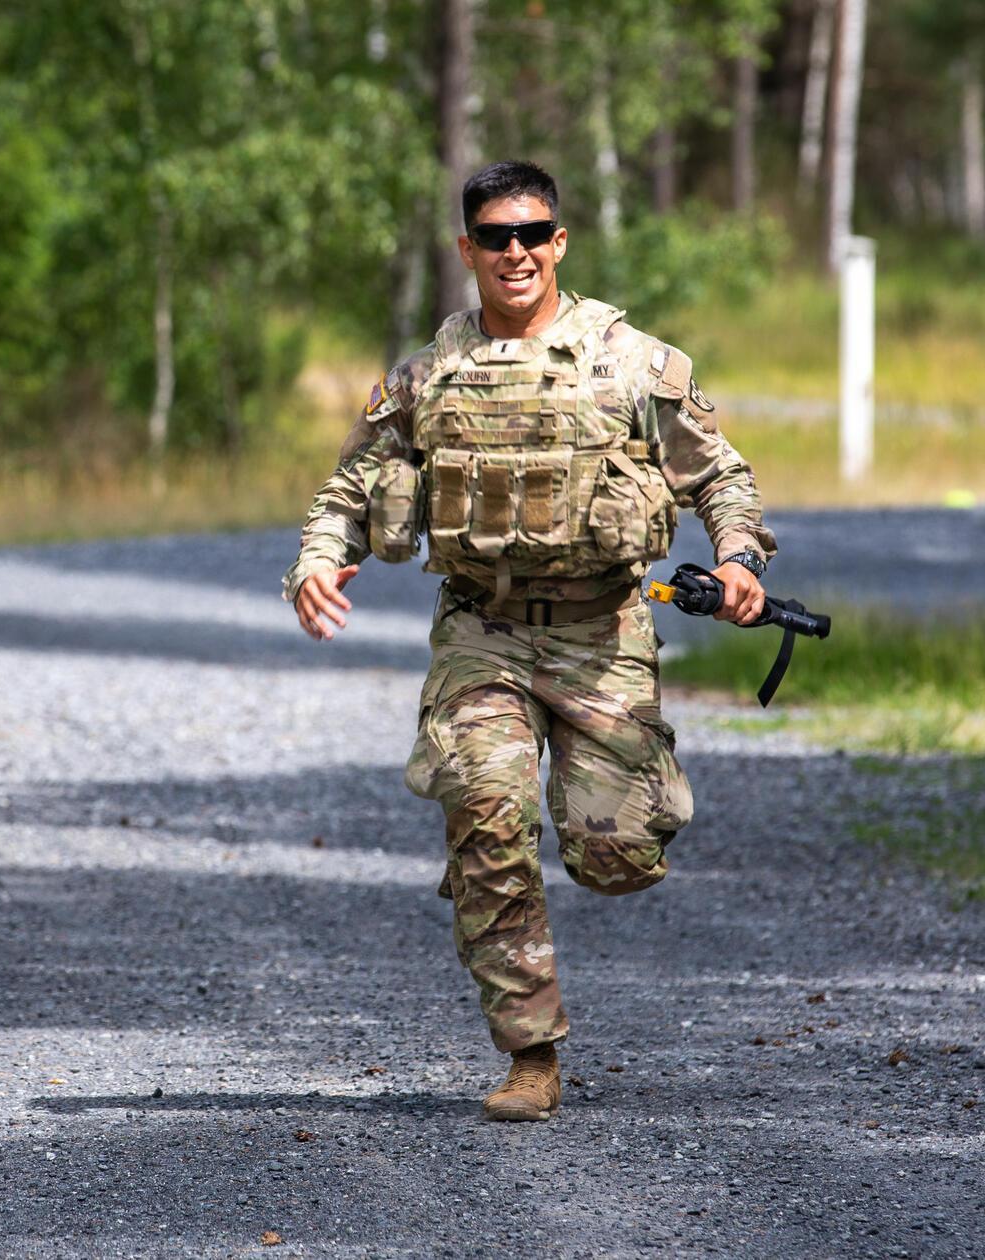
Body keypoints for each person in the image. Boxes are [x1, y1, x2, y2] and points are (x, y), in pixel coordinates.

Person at [284, 159, 776, 1122]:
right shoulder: (430, 374)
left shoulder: (630, 362)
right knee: (486, 815)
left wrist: (742, 557)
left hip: (602, 634)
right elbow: (348, 488)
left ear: (559, 242)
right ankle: (531, 1056)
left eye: (532, 234)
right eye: (494, 237)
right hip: (483, 632)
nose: (515, 253)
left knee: (613, 855)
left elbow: (720, 476)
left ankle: (627, 805)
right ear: (466, 249)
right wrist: (313, 560)